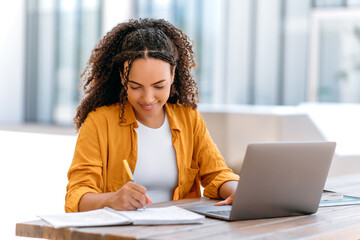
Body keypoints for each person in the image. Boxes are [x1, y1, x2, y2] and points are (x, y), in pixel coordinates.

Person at [65, 18, 239, 213]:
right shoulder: (99, 122)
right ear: (123, 77)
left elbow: (217, 173)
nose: (148, 98)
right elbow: (77, 195)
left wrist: (237, 191)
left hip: (180, 230)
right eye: (135, 87)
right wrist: (111, 199)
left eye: (159, 86)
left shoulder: (189, 118)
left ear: (173, 74)